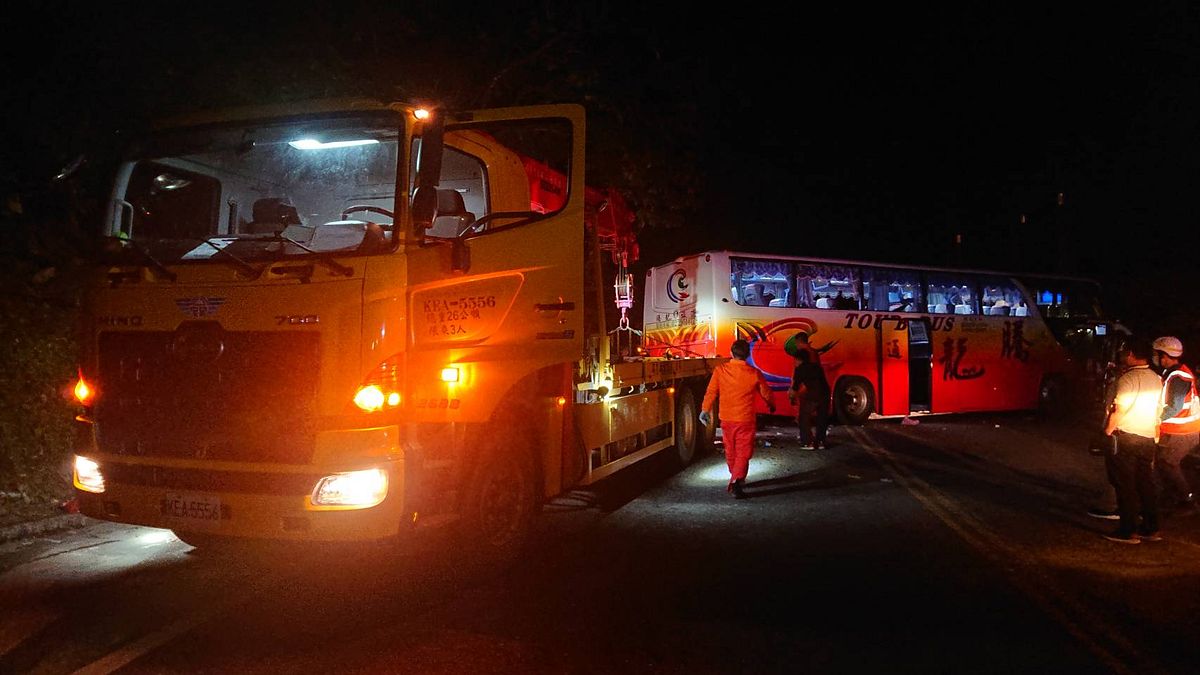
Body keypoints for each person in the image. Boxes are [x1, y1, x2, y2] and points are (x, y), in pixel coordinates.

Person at [1101, 339, 1163, 543]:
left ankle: (1128, 530)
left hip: (1126, 436)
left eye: (1125, 352)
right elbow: (1159, 410)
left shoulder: (1128, 379)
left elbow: (1120, 409)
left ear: (1131, 355)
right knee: (1146, 484)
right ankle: (1151, 528)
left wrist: (1107, 432)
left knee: (1124, 484)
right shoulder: (1156, 378)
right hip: (1147, 437)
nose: (1122, 355)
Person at [700, 339, 774, 499]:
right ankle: (736, 480)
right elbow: (766, 392)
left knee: (731, 450)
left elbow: (711, 391)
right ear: (748, 355)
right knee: (743, 452)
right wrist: (771, 404)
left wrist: (704, 410)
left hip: (726, 419)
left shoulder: (720, 370)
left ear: (731, 353)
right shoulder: (754, 373)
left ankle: (736, 476)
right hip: (745, 419)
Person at [1151, 336, 1200, 515]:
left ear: (1165, 355)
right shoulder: (1173, 372)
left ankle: (1187, 501)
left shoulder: (1179, 376)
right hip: (1181, 429)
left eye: (1157, 354)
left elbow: (1175, 406)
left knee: (1168, 463)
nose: (1155, 357)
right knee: (1163, 462)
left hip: (1184, 430)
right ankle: (1172, 496)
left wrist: (1156, 419)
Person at [789, 342, 831, 450]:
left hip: (813, 396)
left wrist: (792, 397)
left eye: (795, 360)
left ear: (799, 359)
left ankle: (808, 442)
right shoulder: (817, 367)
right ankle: (821, 442)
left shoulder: (800, 369)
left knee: (804, 417)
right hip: (825, 394)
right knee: (822, 418)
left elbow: (795, 387)